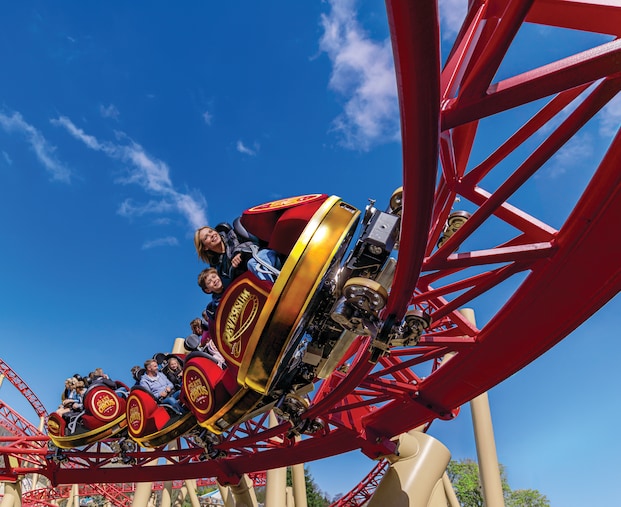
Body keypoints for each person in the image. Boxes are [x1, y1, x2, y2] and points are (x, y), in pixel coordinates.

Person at [194, 225, 281, 283]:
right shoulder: (220, 269)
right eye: (206, 237)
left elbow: (254, 242)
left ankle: (274, 291)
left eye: (211, 231)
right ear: (205, 247)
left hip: (266, 257)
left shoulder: (235, 233)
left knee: (252, 263)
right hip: (253, 280)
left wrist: (240, 253)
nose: (211, 235)